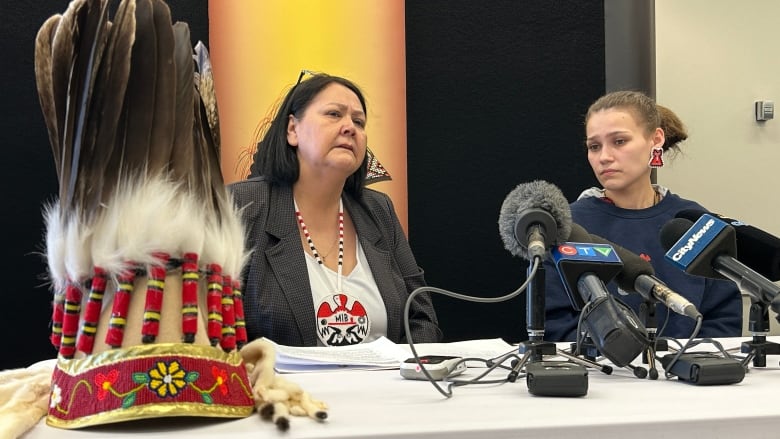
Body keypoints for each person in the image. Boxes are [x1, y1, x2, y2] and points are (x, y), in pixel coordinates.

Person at [229, 72, 442, 347]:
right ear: (292, 130)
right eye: (333, 114)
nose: (349, 127)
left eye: (359, 121)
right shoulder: (242, 206)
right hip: (283, 388)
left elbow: (421, 317)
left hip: (383, 388)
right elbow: (215, 327)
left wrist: (410, 373)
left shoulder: (378, 210)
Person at [544, 90, 742, 341]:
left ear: (656, 139)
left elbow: (723, 318)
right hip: (602, 375)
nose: (604, 157)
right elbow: (555, 323)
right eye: (594, 146)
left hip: (690, 372)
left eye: (619, 141)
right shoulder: (568, 225)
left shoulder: (694, 222)